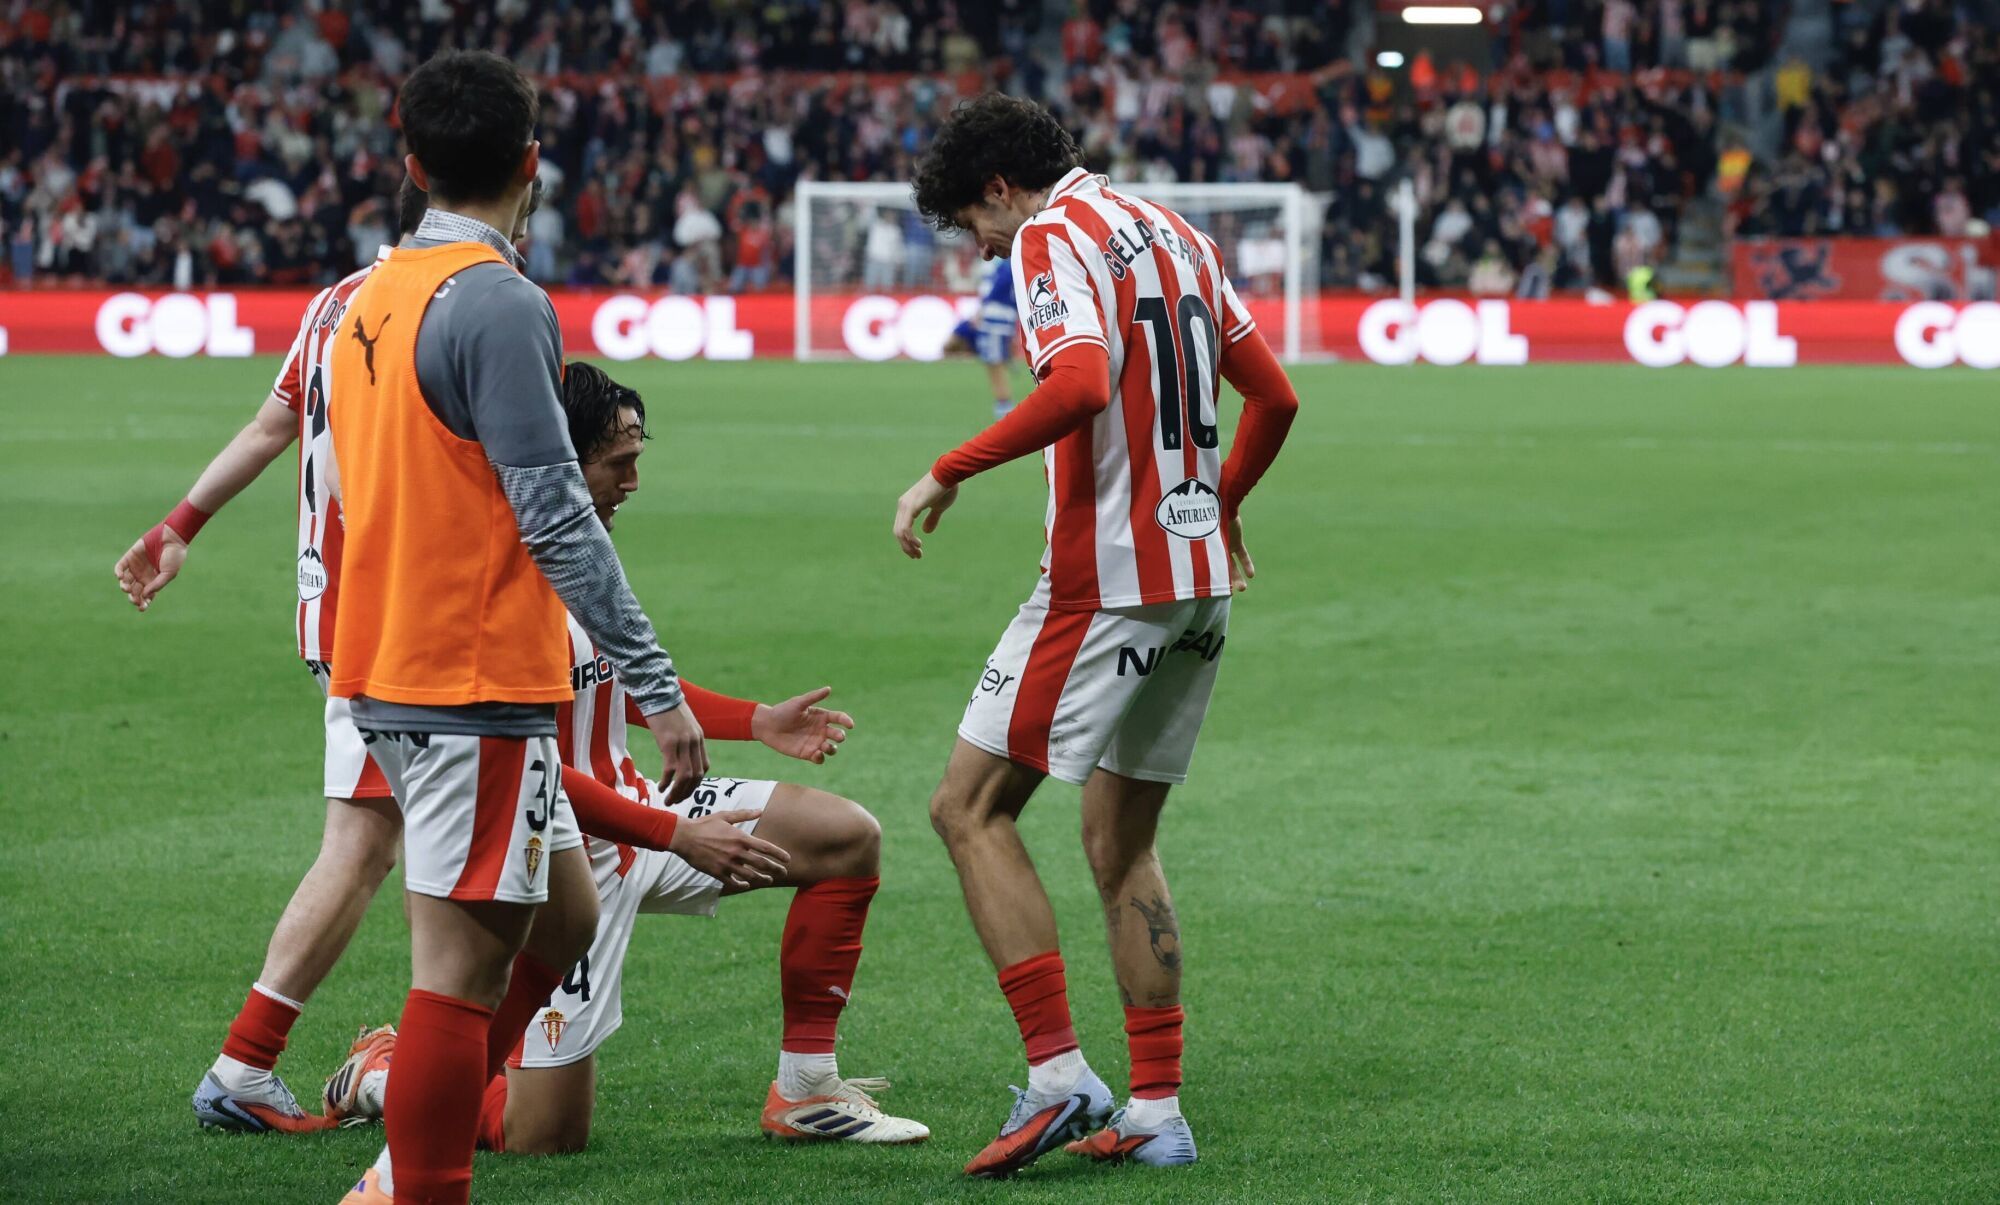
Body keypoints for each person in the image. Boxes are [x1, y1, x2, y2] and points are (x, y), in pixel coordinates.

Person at [325, 51, 773, 1205]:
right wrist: (657, 682)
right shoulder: (500, 301)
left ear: (410, 163)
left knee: (562, 913)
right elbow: (555, 513)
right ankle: (411, 1179)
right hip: (465, 675)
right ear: (533, 163)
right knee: (457, 972)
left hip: (387, 658)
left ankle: (406, 1140)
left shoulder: (366, 297)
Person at [324, 364, 929, 1153]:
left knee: (845, 835)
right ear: (561, 460)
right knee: (543, 1133)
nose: (635, 479)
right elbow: (526, 763)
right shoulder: (505, 575)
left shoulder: (585, 549)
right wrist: (672, 834)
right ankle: (381, 1074)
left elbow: (621, 679)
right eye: (621, 460)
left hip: (640, 812)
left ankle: (807, 1089)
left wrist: (756, 720)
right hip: (558, 858)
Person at [896, 94, 1299, 1177]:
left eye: (968, 225)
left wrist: (949, 468)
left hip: (1103, 583)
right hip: (1195, 583)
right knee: (1120, 842)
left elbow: (1077, 381)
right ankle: (1157, 1108)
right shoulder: (1177, 232)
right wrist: (1217, 506)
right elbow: (1274, 396)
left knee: (966, 807)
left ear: (995, 188)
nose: (979, 248)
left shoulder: (1046, 235)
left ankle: (1058, 1075)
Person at [113, 179, 431, 1135]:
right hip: (398, 623)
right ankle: (382, 1068)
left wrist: (182, 523)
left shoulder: (336, 301)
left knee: (385, 838)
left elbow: (271, 425)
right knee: (390, 842)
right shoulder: (439, 302)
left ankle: (294, 1063)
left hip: (344, 616)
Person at [945, 254, 1019, 419]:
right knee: (992, 363)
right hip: (991, 317)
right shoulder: (997, 259)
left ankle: (1005, 409)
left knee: (994, 365)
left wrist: (984, 307)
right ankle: (1004, 407)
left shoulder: (1005, 261)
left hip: (996, 318)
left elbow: (1003, 284)